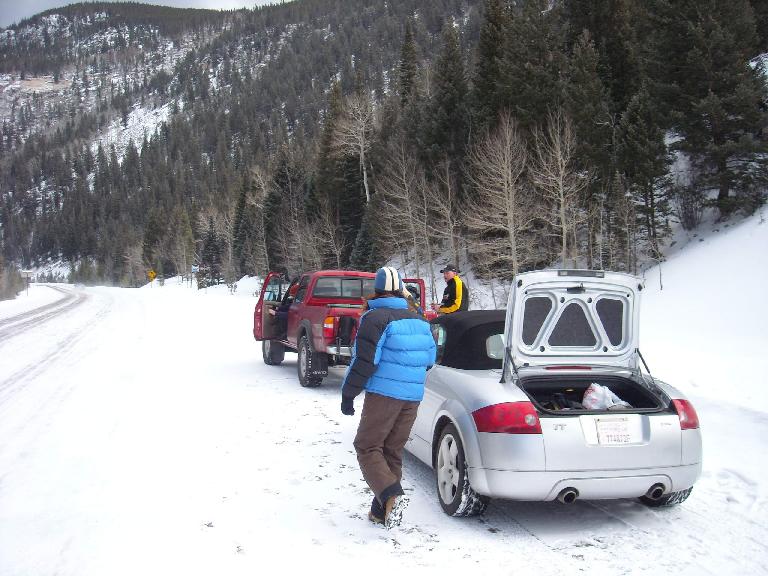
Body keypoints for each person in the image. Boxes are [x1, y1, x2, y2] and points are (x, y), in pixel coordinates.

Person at [340, 266, 436, 529]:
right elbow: (430, 360)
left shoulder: (375, 318)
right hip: (413, 396)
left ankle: (392, 494)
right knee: (391, 450)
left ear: (377, 288)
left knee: (367, 446)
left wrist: (348, 394)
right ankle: (382, 511)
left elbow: (365, 362)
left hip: (384, 395)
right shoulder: (419, 319)